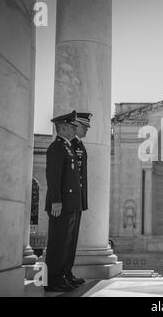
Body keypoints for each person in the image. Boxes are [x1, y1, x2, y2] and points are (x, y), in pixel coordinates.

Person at [44, 111, 82, 292]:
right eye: (73, 126)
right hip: (61, 205)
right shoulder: (57, 148)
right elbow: (53, 177)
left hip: (70, 204)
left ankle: (62, 276)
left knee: (65, 242)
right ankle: (52, 280)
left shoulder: (67, 147)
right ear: (63, 128)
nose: (75, 129)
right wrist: (56, 201)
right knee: (57, 242)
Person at [63, 112, 93, 287]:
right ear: (75, 126)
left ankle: (67, 273)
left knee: (71, 239)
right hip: (68, 200)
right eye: (84, 126)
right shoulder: (68, 145)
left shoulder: (78, 145)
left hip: (76, 199)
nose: (87, 130)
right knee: (64, 240)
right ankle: (59, 276)